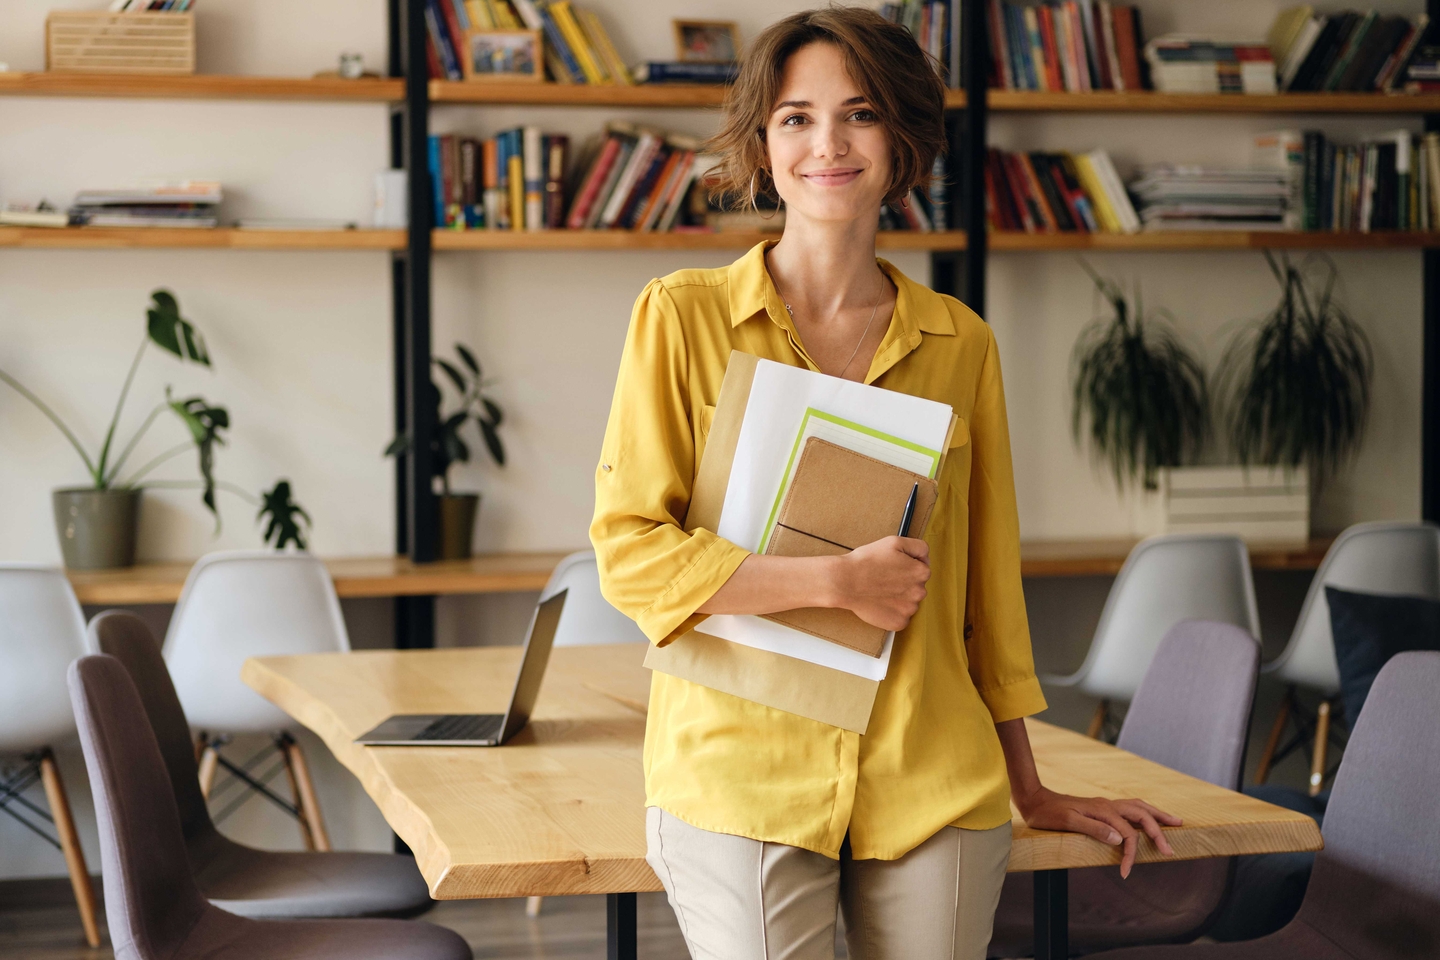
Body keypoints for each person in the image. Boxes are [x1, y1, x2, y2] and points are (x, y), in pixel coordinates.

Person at [590, 8, 1179, 959]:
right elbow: (631, 555)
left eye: (859, 114)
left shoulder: (960, 341)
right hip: (741, 771)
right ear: (762, 143)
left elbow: (985, 593)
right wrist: (833, 582)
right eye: (795, 118)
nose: (828, 143)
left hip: (932, 770)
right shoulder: (680, 319)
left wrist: (1029, 787)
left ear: (901, 140)